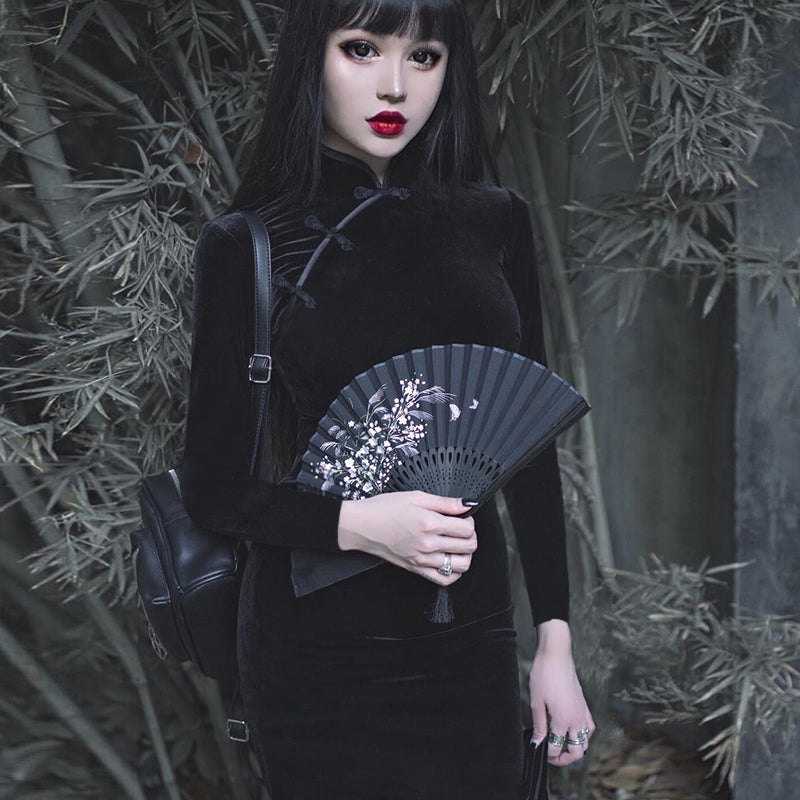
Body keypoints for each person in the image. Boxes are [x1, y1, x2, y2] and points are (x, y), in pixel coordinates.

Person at [181, 0, 595, 797]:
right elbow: (215, 489)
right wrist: (362, 524)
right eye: (364, 48)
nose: (395, 85)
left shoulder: (495, 223)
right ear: (316, 58)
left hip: (470, 636)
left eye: (426, 57)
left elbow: (530, 445)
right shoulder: (250, 244)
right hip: (316, 651)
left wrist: (554, 645)